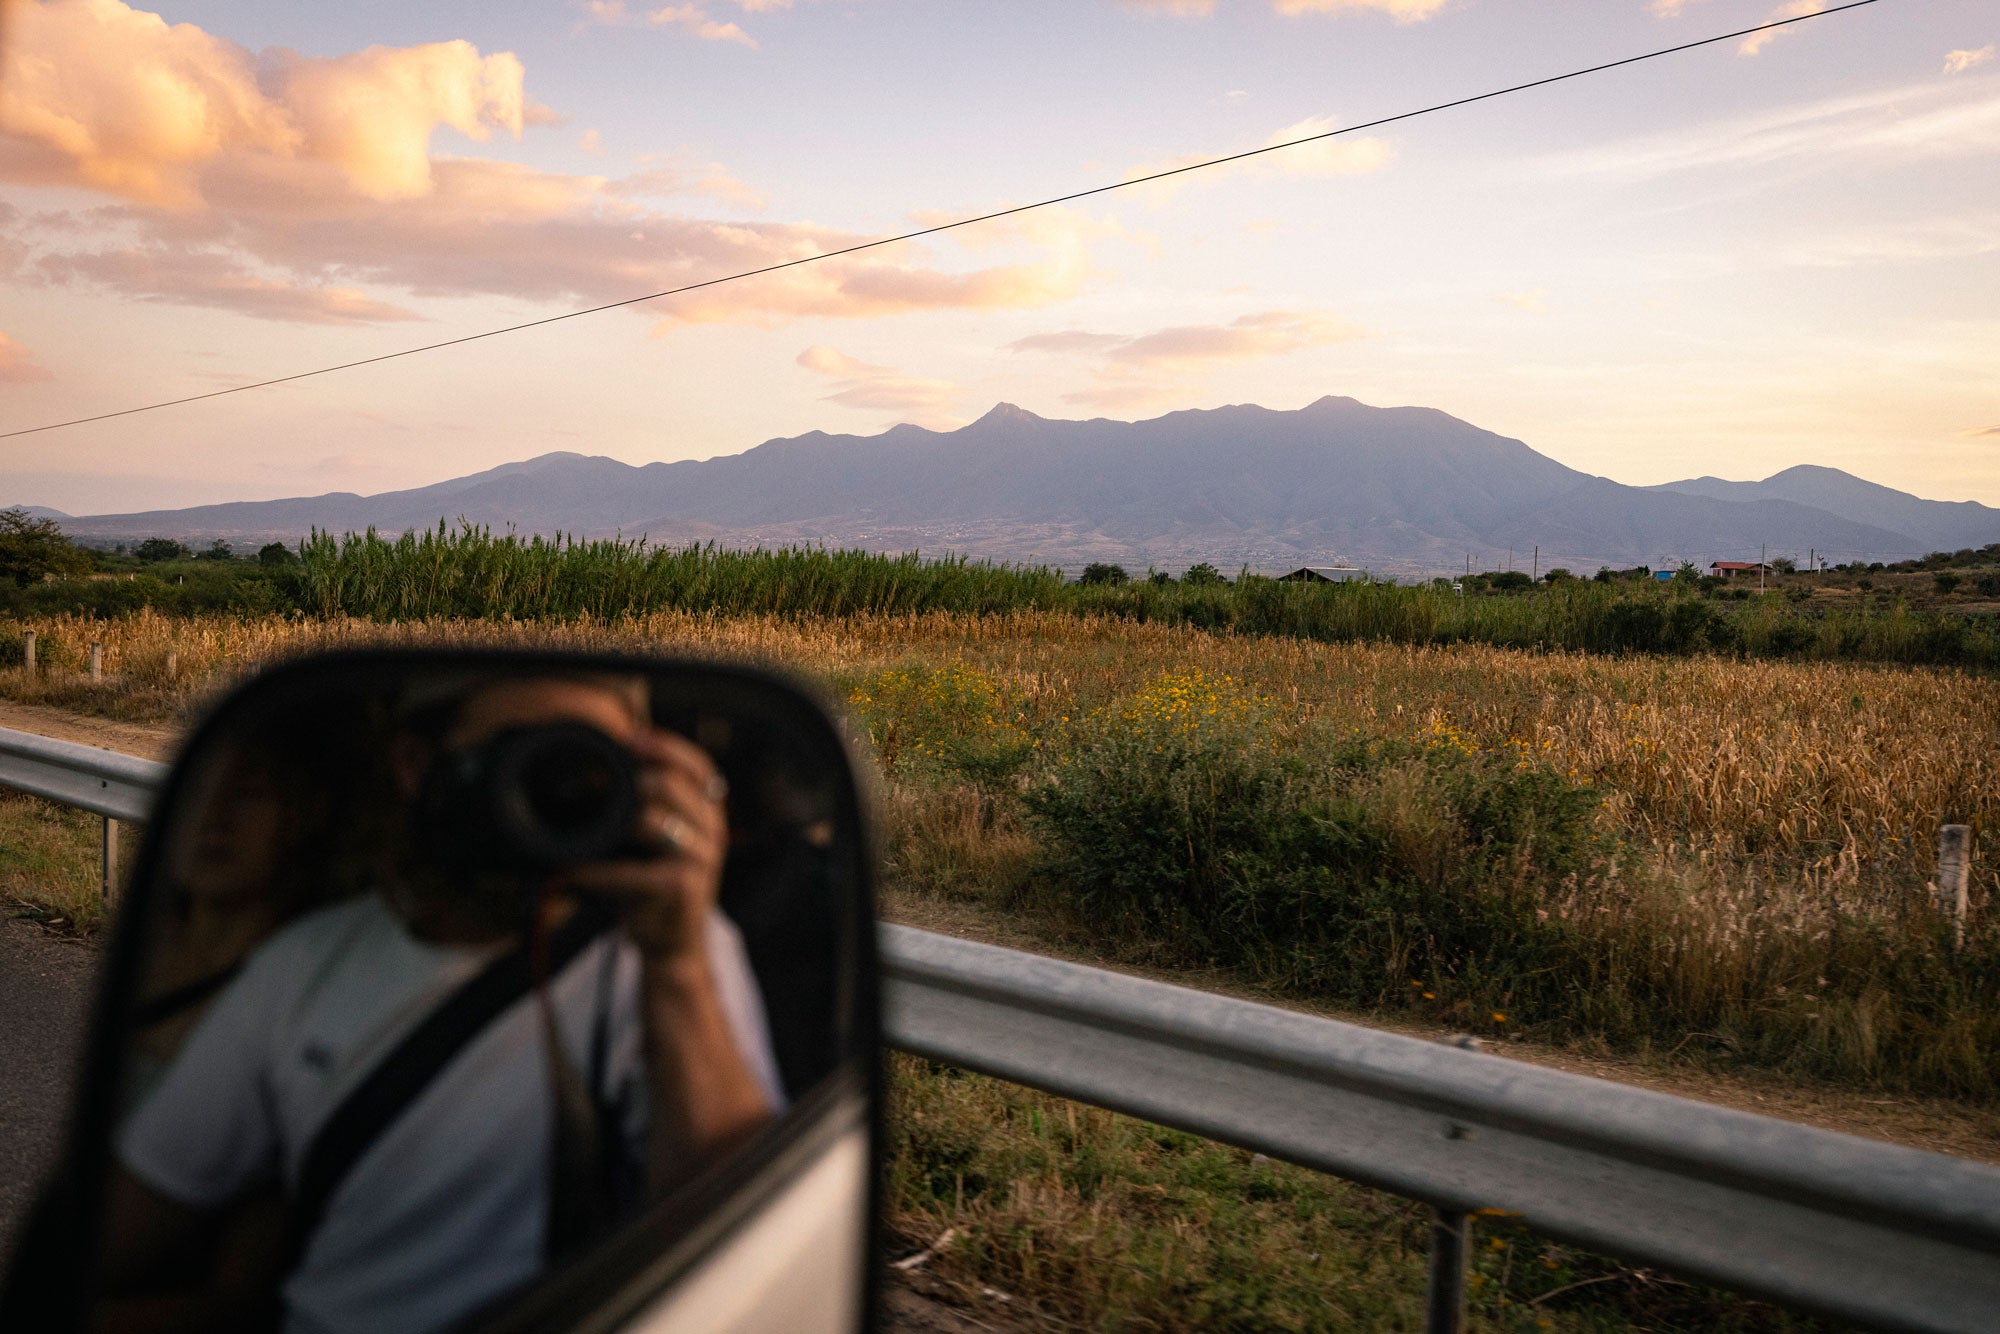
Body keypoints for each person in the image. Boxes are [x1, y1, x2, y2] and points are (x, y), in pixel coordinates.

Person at [98, 673, 783, 1334]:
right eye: (510, 754)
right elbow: (137, 1215)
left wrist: (676, 962)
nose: (541, 787)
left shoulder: (674, 952)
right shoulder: (303, 966)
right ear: (414, 763)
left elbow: (747, 1255)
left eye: (575, 764)